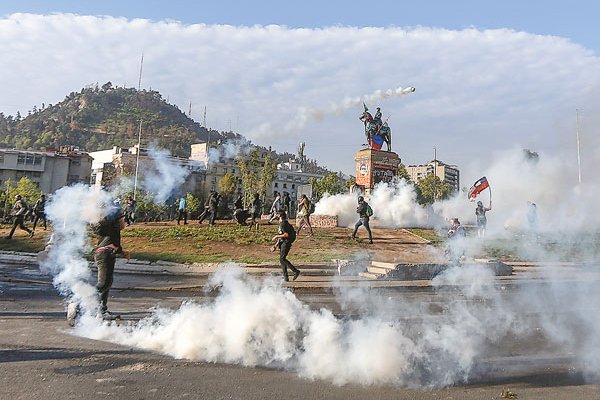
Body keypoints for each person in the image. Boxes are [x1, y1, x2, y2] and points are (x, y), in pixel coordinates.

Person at [94, 207, 130, 320]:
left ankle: (102, 310)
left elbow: (114, 245)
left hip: (106, 255)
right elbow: (110, 245)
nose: (125, 222)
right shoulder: (112, 228)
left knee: (107, 283)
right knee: (103, 283)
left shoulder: (113, 230)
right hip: (105, 255)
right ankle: (79, 301)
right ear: (116, 220)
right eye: (123, 219)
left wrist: (123, 252)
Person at [271, 211, 300, 282]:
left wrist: (276, 236)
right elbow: (282, 236)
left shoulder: (283, 224)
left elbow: (286, 235)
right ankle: (286, 278)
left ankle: (295, 271)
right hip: (283, 243)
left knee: (282, 259)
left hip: (286, 243)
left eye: (276, 214)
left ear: (279, 215)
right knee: (282, 260)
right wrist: (275, 245)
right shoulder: (282, 223)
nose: (275, 215)